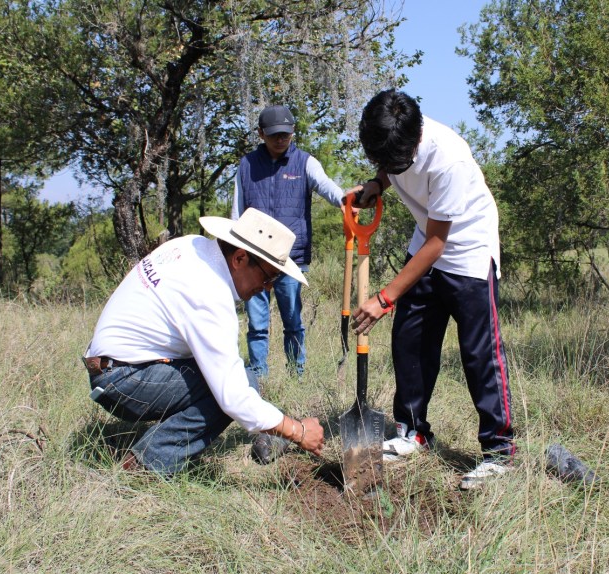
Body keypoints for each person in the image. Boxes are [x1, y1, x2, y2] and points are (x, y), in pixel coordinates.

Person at [348, 89, 515, 490]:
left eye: (393, 161)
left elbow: (439, 244)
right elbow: (394, 171)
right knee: (411, 340)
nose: (388, 165)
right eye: (380, 160)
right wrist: (377, 183)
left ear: (416, 139)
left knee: (479, 352)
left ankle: (499, 452)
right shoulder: (394, 144)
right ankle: (413, 432)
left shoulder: (448, 159)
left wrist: (385, 298)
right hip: (426, 241)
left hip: (466, 250)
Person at [82, 208, 325, 476]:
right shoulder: (210, 293)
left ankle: (268, 433)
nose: (267, 287)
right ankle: (146, 465)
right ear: (240, 258)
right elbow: (233, 398)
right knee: (227, 395)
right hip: (124, 379)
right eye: (267, 276)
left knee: (243, 378)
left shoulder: (190, 246)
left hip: (114, 367)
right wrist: (298, 431)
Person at [231, 104, 344, 380]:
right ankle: (258, 376)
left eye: (286, 133)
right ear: (260, 134)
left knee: (293, 321)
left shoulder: (305, 162)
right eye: (274, 135)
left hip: (289, 259)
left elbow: (326, 185)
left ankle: (297, 374)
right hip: (254, 258)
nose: (281, 139)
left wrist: (346, 201)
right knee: (257, 324)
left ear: (293, 131)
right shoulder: (246, 165)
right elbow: (236, 211)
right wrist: (233, 250)